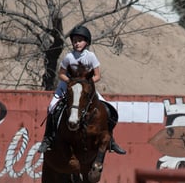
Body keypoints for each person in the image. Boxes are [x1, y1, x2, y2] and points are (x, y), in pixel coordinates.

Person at [38, 25, 126, 155]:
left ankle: (110, 140)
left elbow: (97, 76)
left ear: (87, 42)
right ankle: (47, 139)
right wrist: (72, 83)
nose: (77, 43)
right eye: (74, 40)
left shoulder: (91, 56)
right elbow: (61, 74)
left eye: (80, 40)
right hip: (68, 87)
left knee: (108, 109)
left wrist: (85, 84)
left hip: (86, 88)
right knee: (51, 107)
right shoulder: (69, 57)